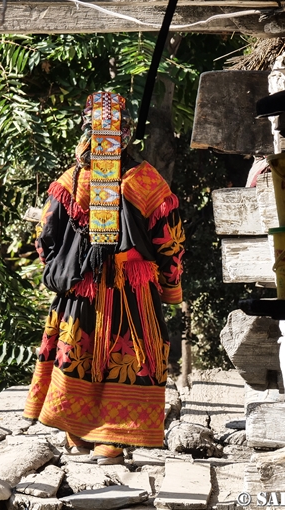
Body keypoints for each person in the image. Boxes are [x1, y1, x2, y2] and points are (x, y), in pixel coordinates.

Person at [23, 91, 185, 464]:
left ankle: (76, 432)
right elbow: (170, 240)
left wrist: (65, 268)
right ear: (126, 133)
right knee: (128, 356)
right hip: (132, 290)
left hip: (81, 291)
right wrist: (170, 287)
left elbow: (44, 238)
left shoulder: (70, 181)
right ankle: (111, 437)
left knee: (76, 351)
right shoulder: (147, 183)